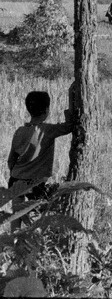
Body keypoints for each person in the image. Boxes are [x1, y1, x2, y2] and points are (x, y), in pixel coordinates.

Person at [8, 90, 75, 229]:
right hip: (35, 183)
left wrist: (17, 174)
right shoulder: (47, 130)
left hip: (15, 180)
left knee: (16, 215)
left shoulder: (19, 131)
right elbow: (69, 126)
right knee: (42, 211)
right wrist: (70, 103)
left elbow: (11, 160)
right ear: (46, 110)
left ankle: (14, 242)